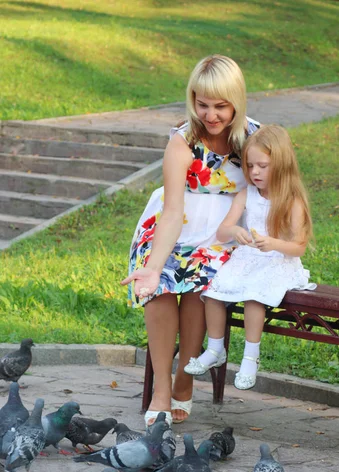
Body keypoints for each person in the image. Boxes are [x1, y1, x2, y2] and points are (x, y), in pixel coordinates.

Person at [121, 55, 260, 426]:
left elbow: (275, 192)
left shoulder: (253, 139)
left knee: (204, 285)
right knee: (159, 284)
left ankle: (186, 376)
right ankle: (162, 389)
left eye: (220, 106)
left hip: (224, 232)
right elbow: (171, 212)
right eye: (202, 104)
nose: (210, 114)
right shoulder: (182, 141)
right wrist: (151, 267)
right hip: (174, 224)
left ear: (236, 101)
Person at [184, 124, 316, 390]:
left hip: (279, 261)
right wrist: (236, 231)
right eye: (250, 165)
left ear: (282, 164)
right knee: (214, 290)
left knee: (254, 295)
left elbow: (298, 246)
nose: (254, 172)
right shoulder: (247, 194)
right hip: (249, 258)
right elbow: (223, 231)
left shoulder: (291, 200)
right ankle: (215, 348)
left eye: (263, 166)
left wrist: (274, 243)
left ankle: (250, 358)